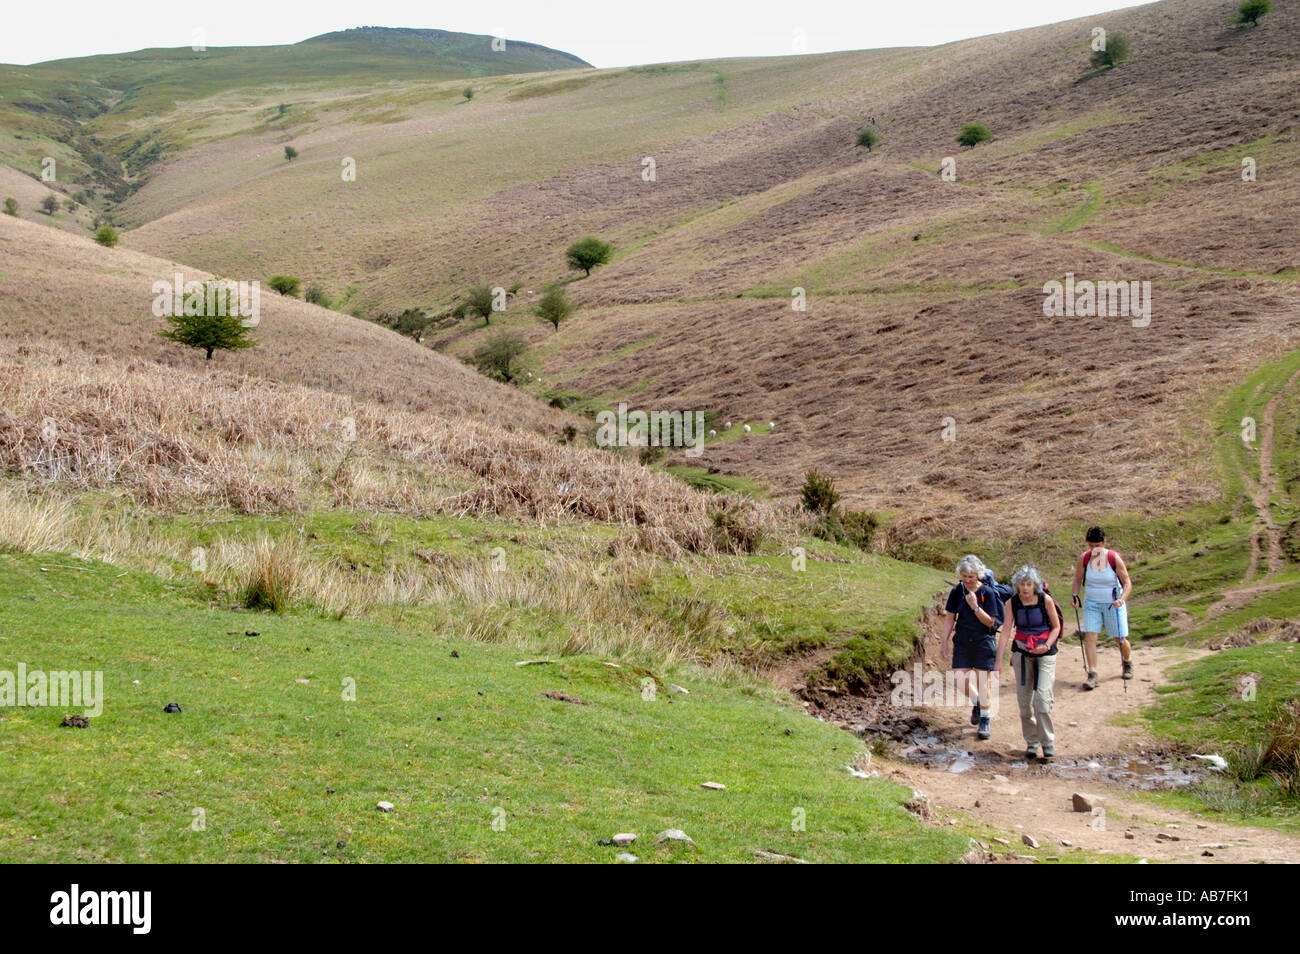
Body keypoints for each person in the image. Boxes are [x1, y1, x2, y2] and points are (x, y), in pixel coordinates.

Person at [996, 566, 1062, 760]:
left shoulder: (1045, 600)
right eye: (1021, 584)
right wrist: (999, 660)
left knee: (1042, 698)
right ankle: (1032, 742)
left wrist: (1047, 645)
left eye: (1029, 584)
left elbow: (1056, 627)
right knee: (1025, 703)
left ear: (1035, 585)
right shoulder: (1012, 603)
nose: (1025, 588)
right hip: (1022, 653)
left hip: (1045, 653)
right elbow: (1006, 630)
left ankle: (1047, 742)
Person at [941, 555, 1004, 740]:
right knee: (959, 678)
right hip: (962, 640)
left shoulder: (988, 593)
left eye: (971, 576)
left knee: (983, 682)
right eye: (964, 576)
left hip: (984, 640)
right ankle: (977, 703)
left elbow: (991, 622)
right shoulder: (956, 591)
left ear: (978, 575)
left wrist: (975, 607)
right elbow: (949, 617)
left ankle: (985, 718)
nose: (968, 580)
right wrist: (944, 641)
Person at [1070, 526, 1134, 690]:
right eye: (1091, 546)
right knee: (1090, 636)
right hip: (1092, 602)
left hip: (1113, 603)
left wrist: (1121, 599)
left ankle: (1127, 662)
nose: (1094, 549)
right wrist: (1075, 596)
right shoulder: (1084, 558)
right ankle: (1092, 674)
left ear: (1104, 543)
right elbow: (1077, 580)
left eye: (1097, 545)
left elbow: (1127, 582)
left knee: (1119, 638)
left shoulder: (1114, 558)